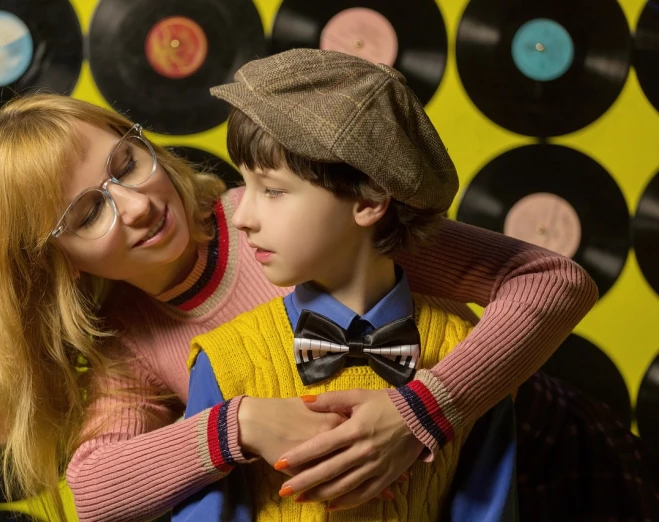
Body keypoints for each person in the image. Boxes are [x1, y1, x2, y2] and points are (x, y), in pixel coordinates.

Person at [0, 78, 597, 519]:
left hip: (524, 455)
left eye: (125, 163)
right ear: (56, 265)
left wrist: (428, 408)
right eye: (85, 214)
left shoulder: (296, 216)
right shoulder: (128, 341)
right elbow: (95, 492)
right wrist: (238, 425)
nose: (135, 205)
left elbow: (552, 280)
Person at [173, 48, 518, 521]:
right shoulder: (225, 362)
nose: (242, 216)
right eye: (244, 186)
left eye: (272, 190)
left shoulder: (476, 354)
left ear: (369, 198)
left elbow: (488, 510)